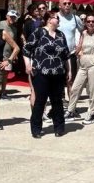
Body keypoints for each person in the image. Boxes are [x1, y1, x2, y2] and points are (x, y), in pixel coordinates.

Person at [25, 9, 70, 138]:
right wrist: (28, 64)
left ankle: (59, 128)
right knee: (40, 100)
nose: (58, 19)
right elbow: (26, 50)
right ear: (49, 19)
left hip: (58, 72)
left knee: (57, 101)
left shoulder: (61, 35)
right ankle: (36, 129)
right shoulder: (38, 33)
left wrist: (69, 70)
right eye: (56, 17)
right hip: (41, 72)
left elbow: (66, 55)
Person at [65, 13, 94, 123]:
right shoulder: (84, 33)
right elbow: (80, 46)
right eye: (88, 21)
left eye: (93, 21)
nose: (90, 23)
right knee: (76, 87)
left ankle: (91, 112)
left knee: (93, 90)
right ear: (85, 23)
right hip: (83, 64)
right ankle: (71, 110)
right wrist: (77, 51)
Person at [56, 0, 80, 89]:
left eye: (69, 3)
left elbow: (83, 32)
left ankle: (71, 102)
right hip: (57, 54)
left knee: (70, 80)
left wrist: (80, 46)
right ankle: (60, 100)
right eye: (64, 3)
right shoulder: (55, 17)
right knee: (58, 80)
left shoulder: (75, 18)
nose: (67, 5)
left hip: (71, 53)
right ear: (59, 5)